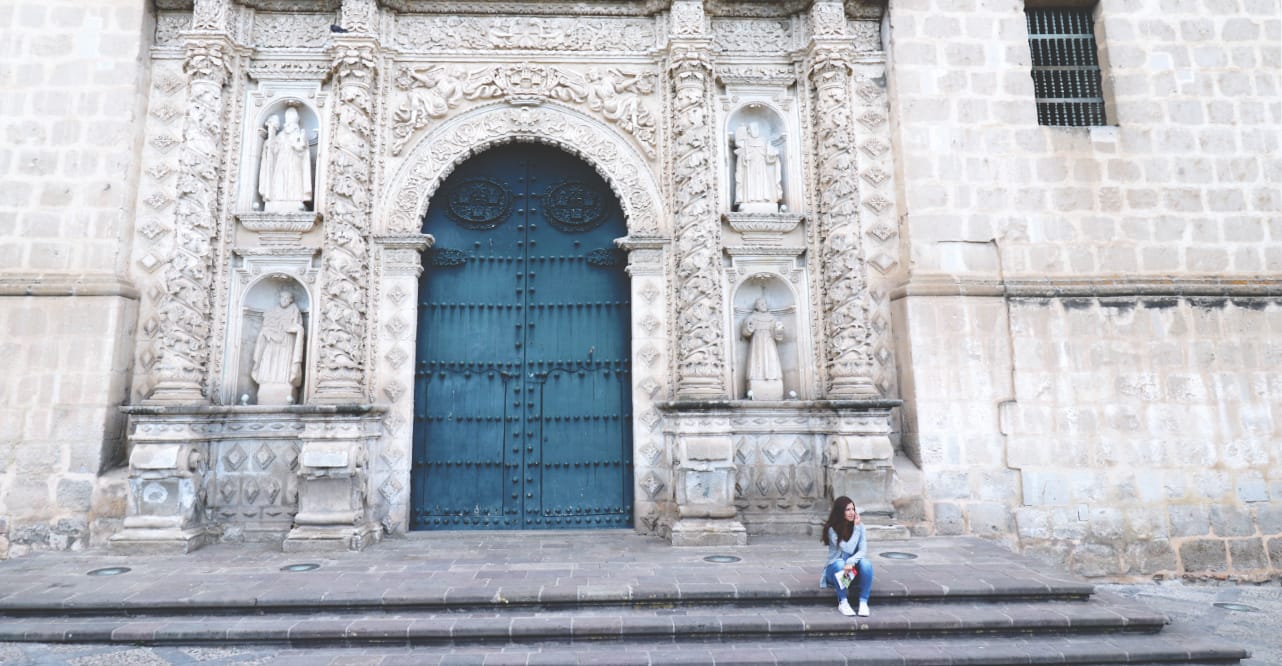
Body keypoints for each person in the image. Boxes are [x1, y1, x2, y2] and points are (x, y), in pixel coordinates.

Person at [820, 496, 873, 617]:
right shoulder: (831, 529)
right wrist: (857, 529)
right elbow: (847, 548)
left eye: (853, 509)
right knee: (839, 564)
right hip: (834, 572)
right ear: (840, 512)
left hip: (851, 571)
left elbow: (863, 550)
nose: (852, 512)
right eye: (847, 509)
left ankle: (863, 602)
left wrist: (851, 561)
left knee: (866, 564)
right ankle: (843, 601)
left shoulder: (859, 525)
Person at [252, 289, 305, 404]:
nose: (284, 300)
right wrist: (270, 333)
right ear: (279, 298)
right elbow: (265, 326)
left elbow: (298, 326)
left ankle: (283, 382)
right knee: (269, 361)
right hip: (272, 341)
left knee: (284, 362)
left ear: (291, 300)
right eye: (282, 297)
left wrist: (295, 329)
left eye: (287, 298)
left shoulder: (294, 311)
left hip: (287, 341)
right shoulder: (272, 311)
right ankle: (268, 381)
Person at [257, 106, 313, 213]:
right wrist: (270, 139)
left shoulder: (300, 134)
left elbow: (302, 151)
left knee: (294, 181)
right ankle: (277, 199)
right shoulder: (281, 135)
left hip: (295, 163)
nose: (290, 126)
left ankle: (295, 199)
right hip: (281, 163)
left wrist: (298, 145)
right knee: (279, 181)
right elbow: (273, 149)